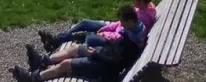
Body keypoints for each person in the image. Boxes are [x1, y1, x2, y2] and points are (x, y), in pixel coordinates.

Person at [14, 5, 144, 81]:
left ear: (130, 21)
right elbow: (114, 52)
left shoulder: (132, 44)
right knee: (74, 48)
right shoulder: (133, 31)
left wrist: (94, 55)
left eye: (123, 21)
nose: (121, 24)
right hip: (102, 55)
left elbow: (115, 62)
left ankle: (33, 78)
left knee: (65, 64)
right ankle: (43, 60)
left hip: (103, 68)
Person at [38, 0, 155, 52]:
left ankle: (55, 41)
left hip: (114, 33)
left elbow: (123, 32)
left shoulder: (142, 17)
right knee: (84, 23)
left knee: (84, 34)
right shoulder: (146, 7)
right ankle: (56, 40)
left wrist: (105, 30)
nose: (133, 3)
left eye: (134, 1)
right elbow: (123, 24)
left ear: (142, 2)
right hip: (113, 27)